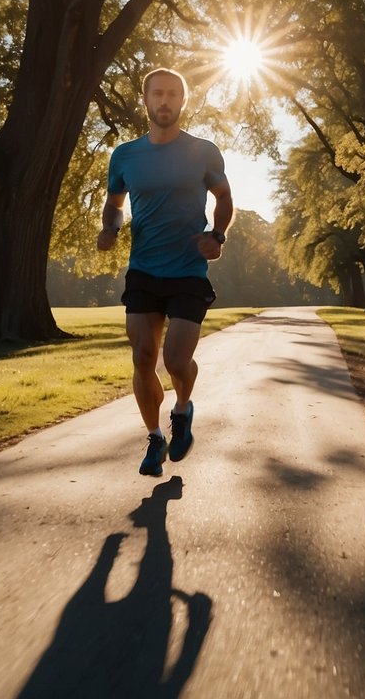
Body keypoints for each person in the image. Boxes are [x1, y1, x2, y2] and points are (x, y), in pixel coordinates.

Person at [96, 67, 233, 477]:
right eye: (158, 94)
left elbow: (225, 198)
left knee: (175, 360)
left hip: (188, 270)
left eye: (173, 94)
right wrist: (110, 228)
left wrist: (218, 235)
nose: (165, 101)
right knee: (142, 357)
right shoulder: (125, 155)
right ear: (146, 100)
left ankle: (182, 409)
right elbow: (115, 203)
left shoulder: (203, 151)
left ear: (183, 101)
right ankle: (155, 437)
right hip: (143, 270)